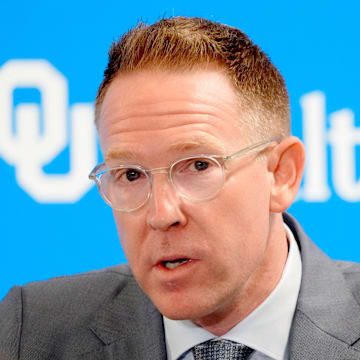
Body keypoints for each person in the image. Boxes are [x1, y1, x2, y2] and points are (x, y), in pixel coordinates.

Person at [1, 16, 360, 360]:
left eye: (199, 166)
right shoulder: (28, 331)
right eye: (130, 174)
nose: (161, 214)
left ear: (281, 174)